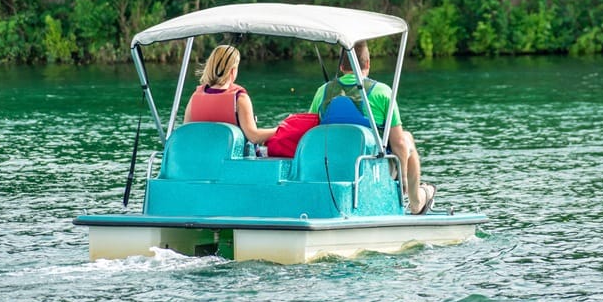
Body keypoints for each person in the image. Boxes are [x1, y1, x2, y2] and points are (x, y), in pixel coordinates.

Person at [308, 41, 435, 214]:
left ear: (342, 66)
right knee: (406, 138)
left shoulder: (322, 91)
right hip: (371, 167)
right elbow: (398, 143)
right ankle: (416, 202)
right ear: (367, 64)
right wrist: (402, 178)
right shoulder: (382, 92)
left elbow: (310, 130)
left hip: (331, 167)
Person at [183, 45, 277, 145]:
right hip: (231, 160)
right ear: (232, 71)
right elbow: (254, 136)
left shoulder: (195, 97)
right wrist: (280, 129)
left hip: (202, 157)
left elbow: (186, 132)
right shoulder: (240, 98)